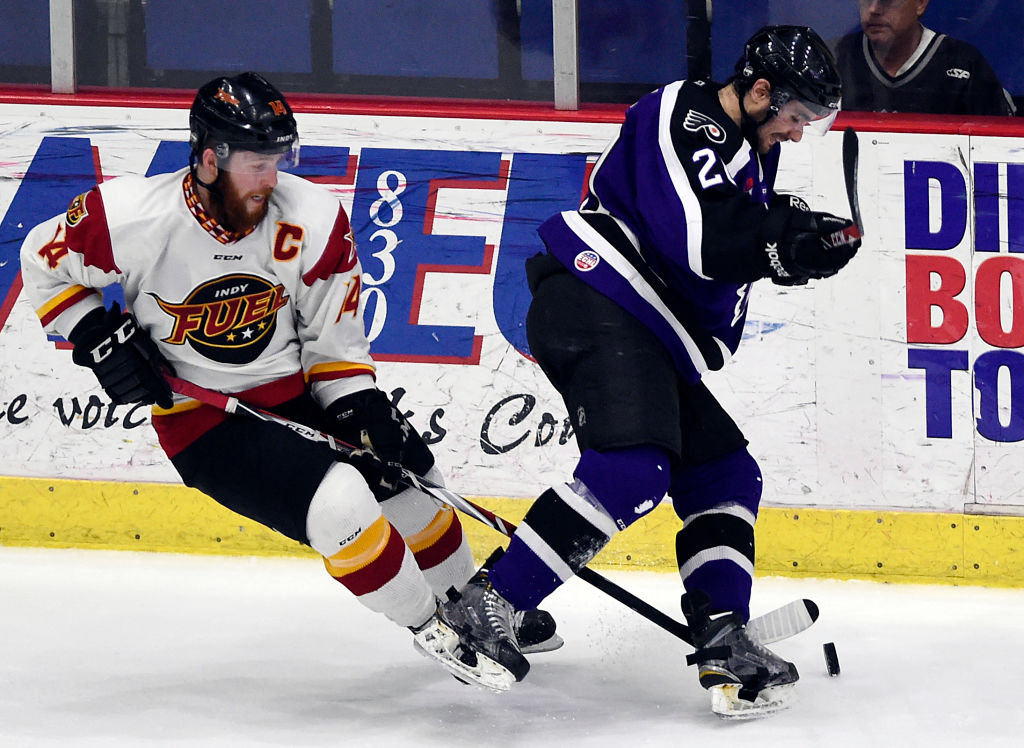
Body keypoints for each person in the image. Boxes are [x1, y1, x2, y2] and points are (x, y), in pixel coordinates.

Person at [18, 71, 557, 692]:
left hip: (299, 393)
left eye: (278, 160)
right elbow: (42, 264)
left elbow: (334, 344)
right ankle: (435, 628)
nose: (270, 178)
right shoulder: (129, 217)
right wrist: (93, 335)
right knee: (342, 507)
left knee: (413, 481)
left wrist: (360, 411)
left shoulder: (313, 220)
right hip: (203, 421)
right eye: (255, 162)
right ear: (208, 158)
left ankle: (470, 603)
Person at [438, 26, 860, 717]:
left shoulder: (751, 157)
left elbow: (740, 241)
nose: (799, 133)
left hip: (648, 330)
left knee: (725, 475)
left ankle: (723, 633)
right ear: (759, 92)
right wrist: (780, 242)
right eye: (796, 116)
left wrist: (798, 242)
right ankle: (488, 605)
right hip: (596, 296)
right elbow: (699, 240)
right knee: (633, 467)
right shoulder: (685, 112)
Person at [833, 0, 1016, 115]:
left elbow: (1001, 147)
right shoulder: (835, 57)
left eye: (888, 1)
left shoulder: (965, 64)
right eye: (866, 0)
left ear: (920, 3)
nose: (873, 9)